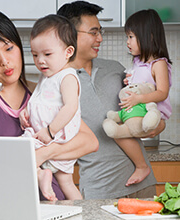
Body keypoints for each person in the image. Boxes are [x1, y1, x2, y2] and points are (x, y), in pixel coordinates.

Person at [0, 9, 98, 201]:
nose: (5, 62)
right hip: (2, 202)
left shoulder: (39, 93)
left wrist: (41, 154)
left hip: (53, 204)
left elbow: (90, 142)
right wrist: (29, 159)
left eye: (9, 49)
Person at [58, 1, 165, 199]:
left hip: (144, 187)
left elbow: (144, 109)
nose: (99, 38)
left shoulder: (116, 69)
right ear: (69, 34)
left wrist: (157, 126)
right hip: (100, 191)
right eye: (93, 32)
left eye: (101, 32)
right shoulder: (58, 82)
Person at [19, 15, 82, 201]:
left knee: (22, 152)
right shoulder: (47, 76)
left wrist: (50, 130)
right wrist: (26, 111)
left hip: (55, 137)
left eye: (47, 54)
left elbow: (71, 107)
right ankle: (81, 210)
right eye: (35, 54)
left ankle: (40, 175)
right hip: (45, 136)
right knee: (66, 182)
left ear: (68, 52)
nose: (40, 61)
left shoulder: (67, 77)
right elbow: (40, 100)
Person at [108, 9, 173, 187]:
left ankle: (141, 166)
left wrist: (138, 99)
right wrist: (129, 81)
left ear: (149, 36)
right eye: (127, 37)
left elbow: (162, 93)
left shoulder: (158, 63)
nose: (127, 42)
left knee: (117, 134)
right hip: (138, 114)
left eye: (131, 37)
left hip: (153, 114)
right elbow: (139, 84)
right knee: (117, 132)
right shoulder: (137, 63)